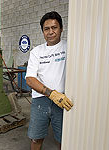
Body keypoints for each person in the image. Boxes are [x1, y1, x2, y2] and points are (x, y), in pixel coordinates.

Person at [25, 11, 73, 150]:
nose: (50, 32)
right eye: (46, 29)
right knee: (36, 139)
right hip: (41, 100)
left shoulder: (69, 47)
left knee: (63, 139)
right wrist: (51, 94)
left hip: (64, 99)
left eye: (54, 27)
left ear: (61, 28)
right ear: (42, 32)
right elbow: (30, 79)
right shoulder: (37, 51)